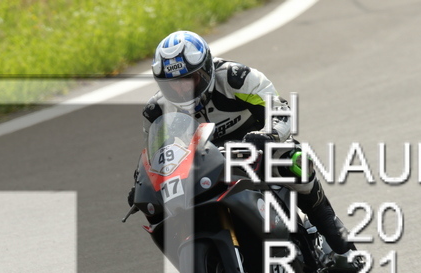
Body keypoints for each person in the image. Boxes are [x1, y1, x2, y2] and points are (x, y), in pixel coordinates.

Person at [128, 30, 352, 256]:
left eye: (189, 79)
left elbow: (280, 110)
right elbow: (156, 156)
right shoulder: (156, 111)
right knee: (163, 209)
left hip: (257, 147)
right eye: (172, 84)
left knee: (294, 163)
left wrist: (269, 135)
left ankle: (337, 240)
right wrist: (144, 186)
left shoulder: (235, 77)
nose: (181, 89)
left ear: (206, 70)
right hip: (205, 165)